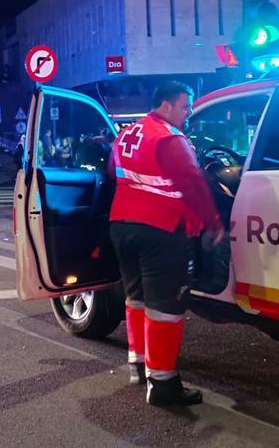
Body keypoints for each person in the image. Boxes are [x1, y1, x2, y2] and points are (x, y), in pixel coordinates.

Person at [108, 81, 224, 406]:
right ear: (167, 105)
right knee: (166, 308)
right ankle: (162, 384)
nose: (188, 113)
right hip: (159, 229)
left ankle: (139, 364)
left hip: (122, 226)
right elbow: (192, 182)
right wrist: (212, 222)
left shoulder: (127, 134)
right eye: (185, 106)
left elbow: (114, 173)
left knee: (137, 299)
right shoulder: (169, 138)